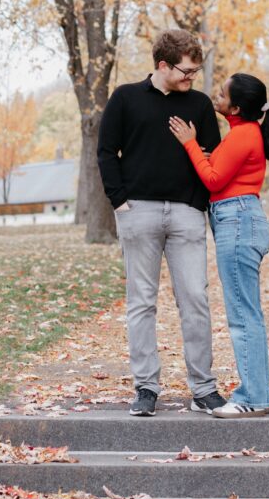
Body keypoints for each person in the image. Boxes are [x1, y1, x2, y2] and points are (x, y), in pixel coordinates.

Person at [97, 29, 227, 418]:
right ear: (163, 65)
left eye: (196, 71)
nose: (192, 78)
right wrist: (120, 202)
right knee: (141, 302)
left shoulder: (199, 104)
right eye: (186, 71)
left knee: (195, 299)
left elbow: (214, 156)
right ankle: (146, 387)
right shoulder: (125, 98)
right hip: (138, 211)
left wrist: (198, 203)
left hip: (187, 213)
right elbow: (106, 151)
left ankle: (203, 388)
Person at [169, 73, 269, 418]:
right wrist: (204, 154)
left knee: (242, 316)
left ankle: (254, 398)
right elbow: (221, 171)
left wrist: (190, 144)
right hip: (238, 219)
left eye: (222, 94)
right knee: (246, 312)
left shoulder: (243, 134)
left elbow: (212, 180)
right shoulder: (242, 133)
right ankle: (257, 395)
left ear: (235, 108)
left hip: (237, 222)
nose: (216, 96)